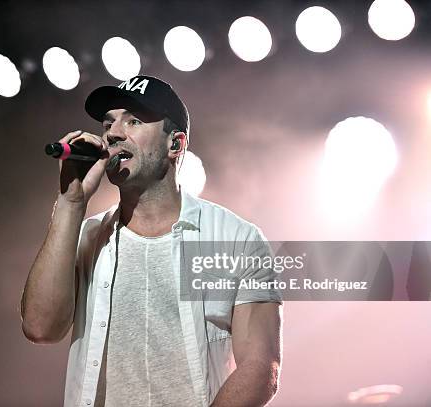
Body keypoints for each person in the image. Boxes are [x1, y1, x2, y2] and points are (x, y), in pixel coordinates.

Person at [21, 75, 283, 407]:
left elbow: (261, 367)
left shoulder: (235, 238)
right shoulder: (85, 235)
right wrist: (71, 205)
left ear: (174, 145)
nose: (114, 133)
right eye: (108, 123)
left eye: (133, 121)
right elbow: (40, 327)